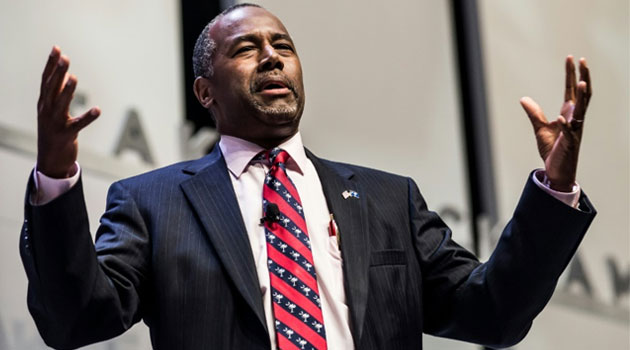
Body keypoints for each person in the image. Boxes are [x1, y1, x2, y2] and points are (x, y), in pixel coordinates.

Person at [21, 3, 595, 350]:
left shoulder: (388, 199)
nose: (272, 57)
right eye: (247, 49)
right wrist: (54, 176)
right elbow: (75, 319)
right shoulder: (153, 202)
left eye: (283, 47)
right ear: (205, 92)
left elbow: (493, 312)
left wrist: (555, 190)